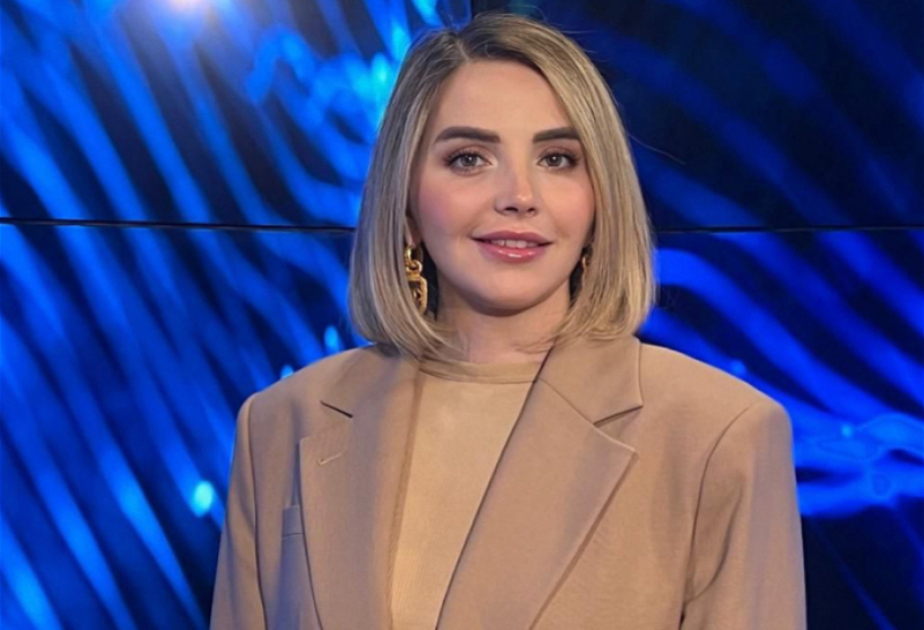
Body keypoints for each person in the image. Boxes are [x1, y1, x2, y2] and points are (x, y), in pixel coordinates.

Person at [210, 11, 806, 630]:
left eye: (557, 159)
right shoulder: (280, 425)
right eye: (469, 158)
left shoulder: (721, 437)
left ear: (599, 200)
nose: (519, 196)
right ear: (406, 204)